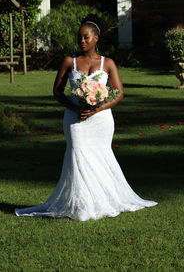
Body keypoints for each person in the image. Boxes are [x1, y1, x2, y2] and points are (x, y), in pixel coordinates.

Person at [15, 14, 157, 221]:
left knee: (100, 156)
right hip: (75, 119)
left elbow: (119, 92)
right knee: (78, 154)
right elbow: (57, 92)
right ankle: (80, 205)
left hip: (101, 120)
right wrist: (75, 106)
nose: (82, 41)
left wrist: (97, 108)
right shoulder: (68, 61)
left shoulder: (107, 63)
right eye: (79, 38)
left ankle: (102, 200)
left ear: (96, 38)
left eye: (86, 37)